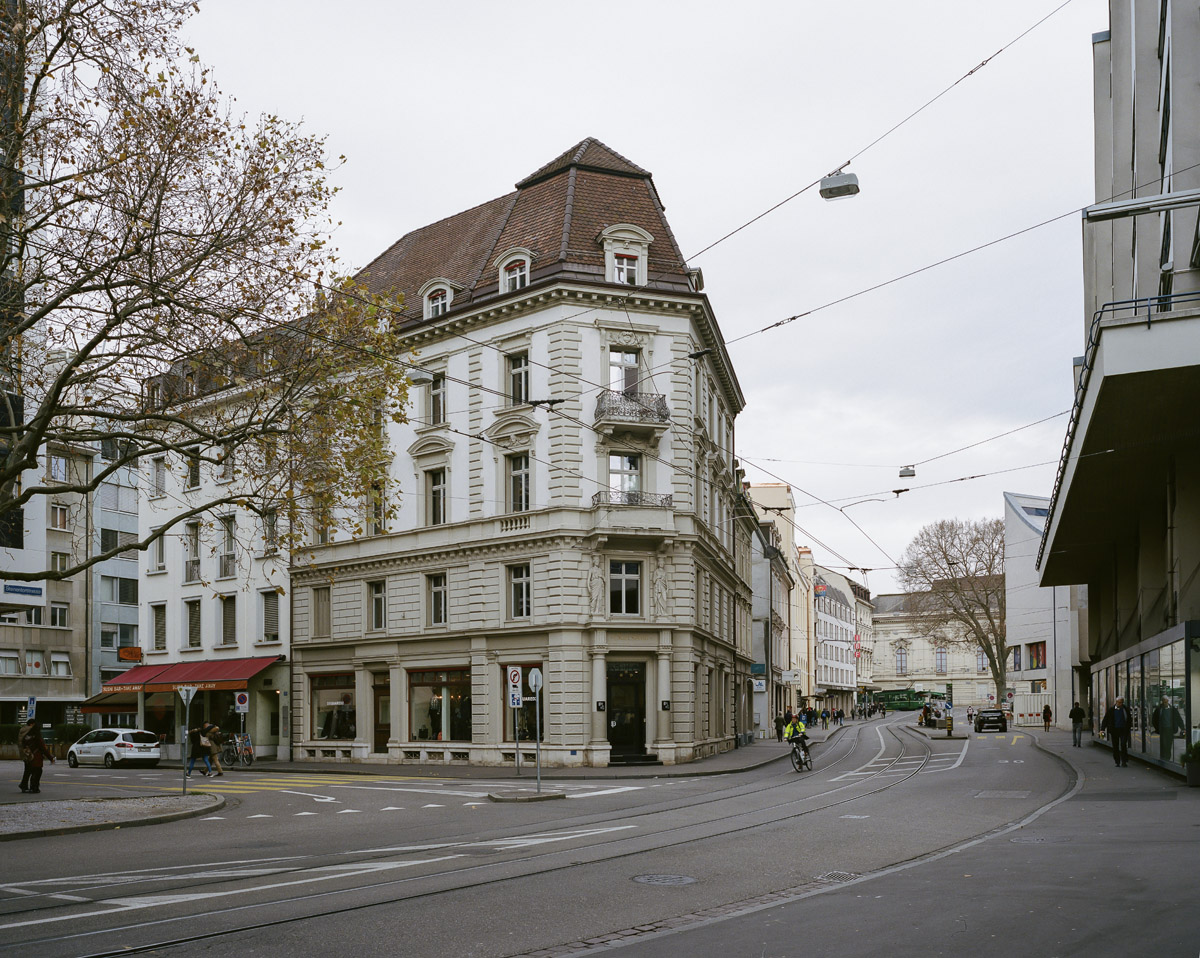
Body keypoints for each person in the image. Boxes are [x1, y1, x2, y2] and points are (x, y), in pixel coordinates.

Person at [18, 719, 54, 793]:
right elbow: (43, 748)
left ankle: (24, 785)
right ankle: (34, 787)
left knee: (28, 771)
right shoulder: (36, 736)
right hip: (35, 756)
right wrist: (50, 758)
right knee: (37, 771)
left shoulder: (25, 733)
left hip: (27, 755)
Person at [1100, 696, 1133, 767]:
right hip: (1114, 730)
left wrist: (1128, 727)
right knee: (1115, 746)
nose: (1120, 704)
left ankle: (1124, 761)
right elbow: (1105, 719)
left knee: (1123, 745)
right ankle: (1117, 761)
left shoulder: (1125, 709)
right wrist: (1102, 729)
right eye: (1118, 702)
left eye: (1121, 702)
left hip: (1123, 730)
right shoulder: (1111, 710)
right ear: (1116, 702)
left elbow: (1129, 719)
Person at [1151, 695, 1184, 762]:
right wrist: (1157, 728)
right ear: (1162, 701)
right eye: (1164, 701)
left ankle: (1167, 759)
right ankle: (1163, 759)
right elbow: (1154, 720)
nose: (1165, 703)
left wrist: (1183, 728)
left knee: (1168, 745)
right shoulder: (1159, 709)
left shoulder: (1172, 709)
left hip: (1170, 730)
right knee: (1163, 745)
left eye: (1166, 701)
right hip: (1163, 729)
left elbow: (1178, 719)